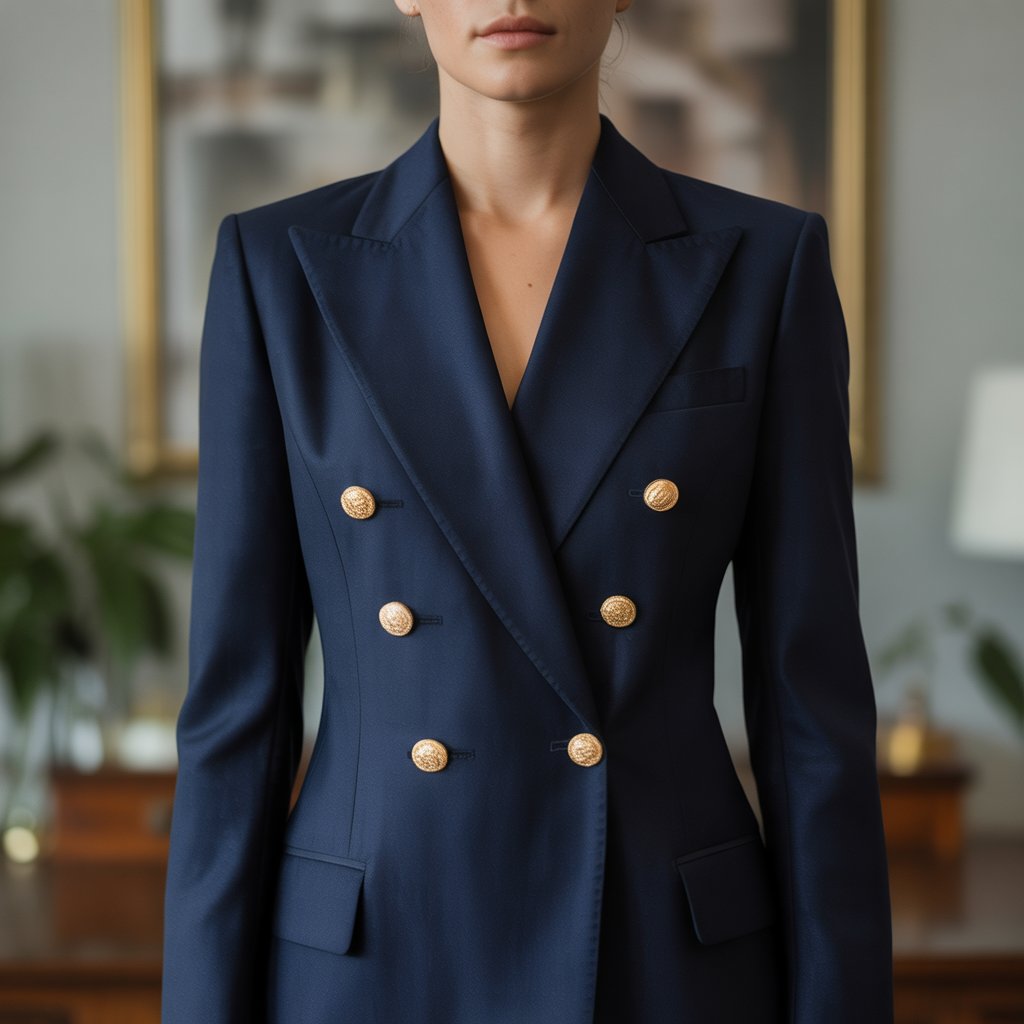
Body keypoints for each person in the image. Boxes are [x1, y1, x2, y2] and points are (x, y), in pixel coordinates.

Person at [160, 1, 895, 1022]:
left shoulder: (762, 266)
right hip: (373, 961)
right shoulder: (279, 267)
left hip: (658, 956)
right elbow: (235, 716)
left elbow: (812, 711)